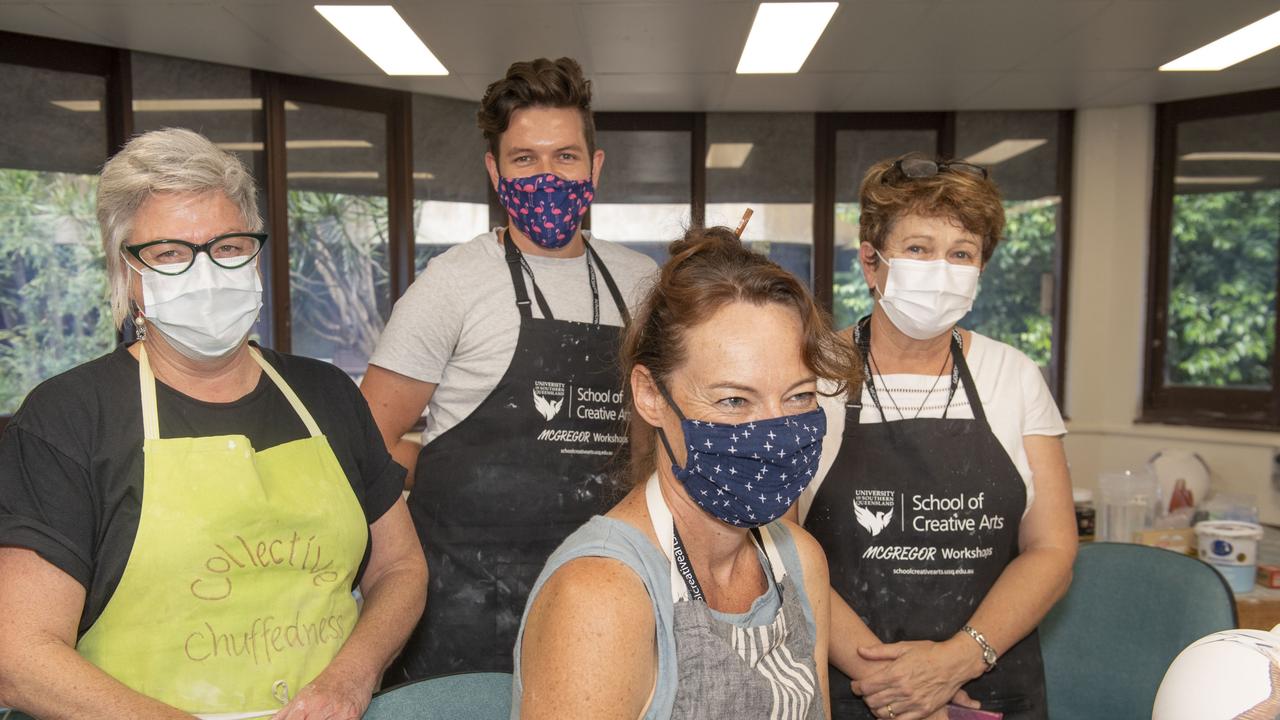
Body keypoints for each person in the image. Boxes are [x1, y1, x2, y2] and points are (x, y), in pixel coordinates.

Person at [0, 128, 427, 719]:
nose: (205, 272)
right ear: (129, 276)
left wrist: (354, 676)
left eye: (227, 246)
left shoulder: (326, 395)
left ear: (255, 255)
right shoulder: (70, 418)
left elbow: (400, 567)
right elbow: (19, 657)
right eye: (171, 253)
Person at [360, 57, 658, 680]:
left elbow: (654, 442)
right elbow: (368, 442)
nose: (547, 176)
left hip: (606, 593)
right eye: (524, 159)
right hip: (464, 606)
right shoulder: (452, 284)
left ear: (595, 167)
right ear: (495, 172)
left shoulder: (640, 283)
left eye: (565, 157)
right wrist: (457, 471)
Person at [514, 226, 861, 719]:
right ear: (652, 396)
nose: (773, 430)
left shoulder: (799, 560)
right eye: (733, 400)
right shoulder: (600, 595)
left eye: (799, 396)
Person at [799, 154, 1077, 720]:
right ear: (871, 264)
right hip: (854, 688)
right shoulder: (811, 376)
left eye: (961, 254)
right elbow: (780, 550)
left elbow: (1052, 549)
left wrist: (955, 662)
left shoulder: (1014, 376)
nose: (941, 268)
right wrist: (896, 683)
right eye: (919, 249)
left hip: (986, 685)